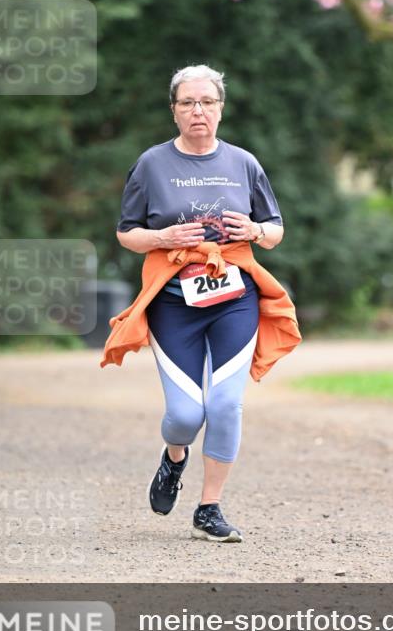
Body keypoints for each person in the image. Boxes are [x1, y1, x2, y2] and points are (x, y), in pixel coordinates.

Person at [113, 64, 298, 543]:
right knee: (185, 416)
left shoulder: (244, 163)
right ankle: (174, 458)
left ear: (220, 108)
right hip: (173, 303)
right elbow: (126, 233)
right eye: (188, 103)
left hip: (235, 298)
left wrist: (255, 231)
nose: (198, 111)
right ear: (173, 111)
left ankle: (209, 508)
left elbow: (275, 229)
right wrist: (162, 235)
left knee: (225, 404)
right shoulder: (151, 164)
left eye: (207, 102)